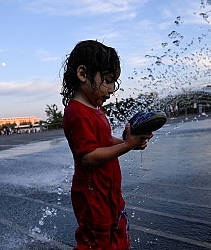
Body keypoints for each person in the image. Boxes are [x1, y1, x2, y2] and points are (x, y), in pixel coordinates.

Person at [61, 40, 153, 249]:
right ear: (83, 74)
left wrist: (131, 142)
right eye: (108, 80)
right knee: (97, 243)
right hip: (92, 195)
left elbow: (104, 140)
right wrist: (128, 146)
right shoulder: (76, 112)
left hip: (108, 191)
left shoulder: (95, 109)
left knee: (118, 236)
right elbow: (89, 156)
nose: (112, 89)